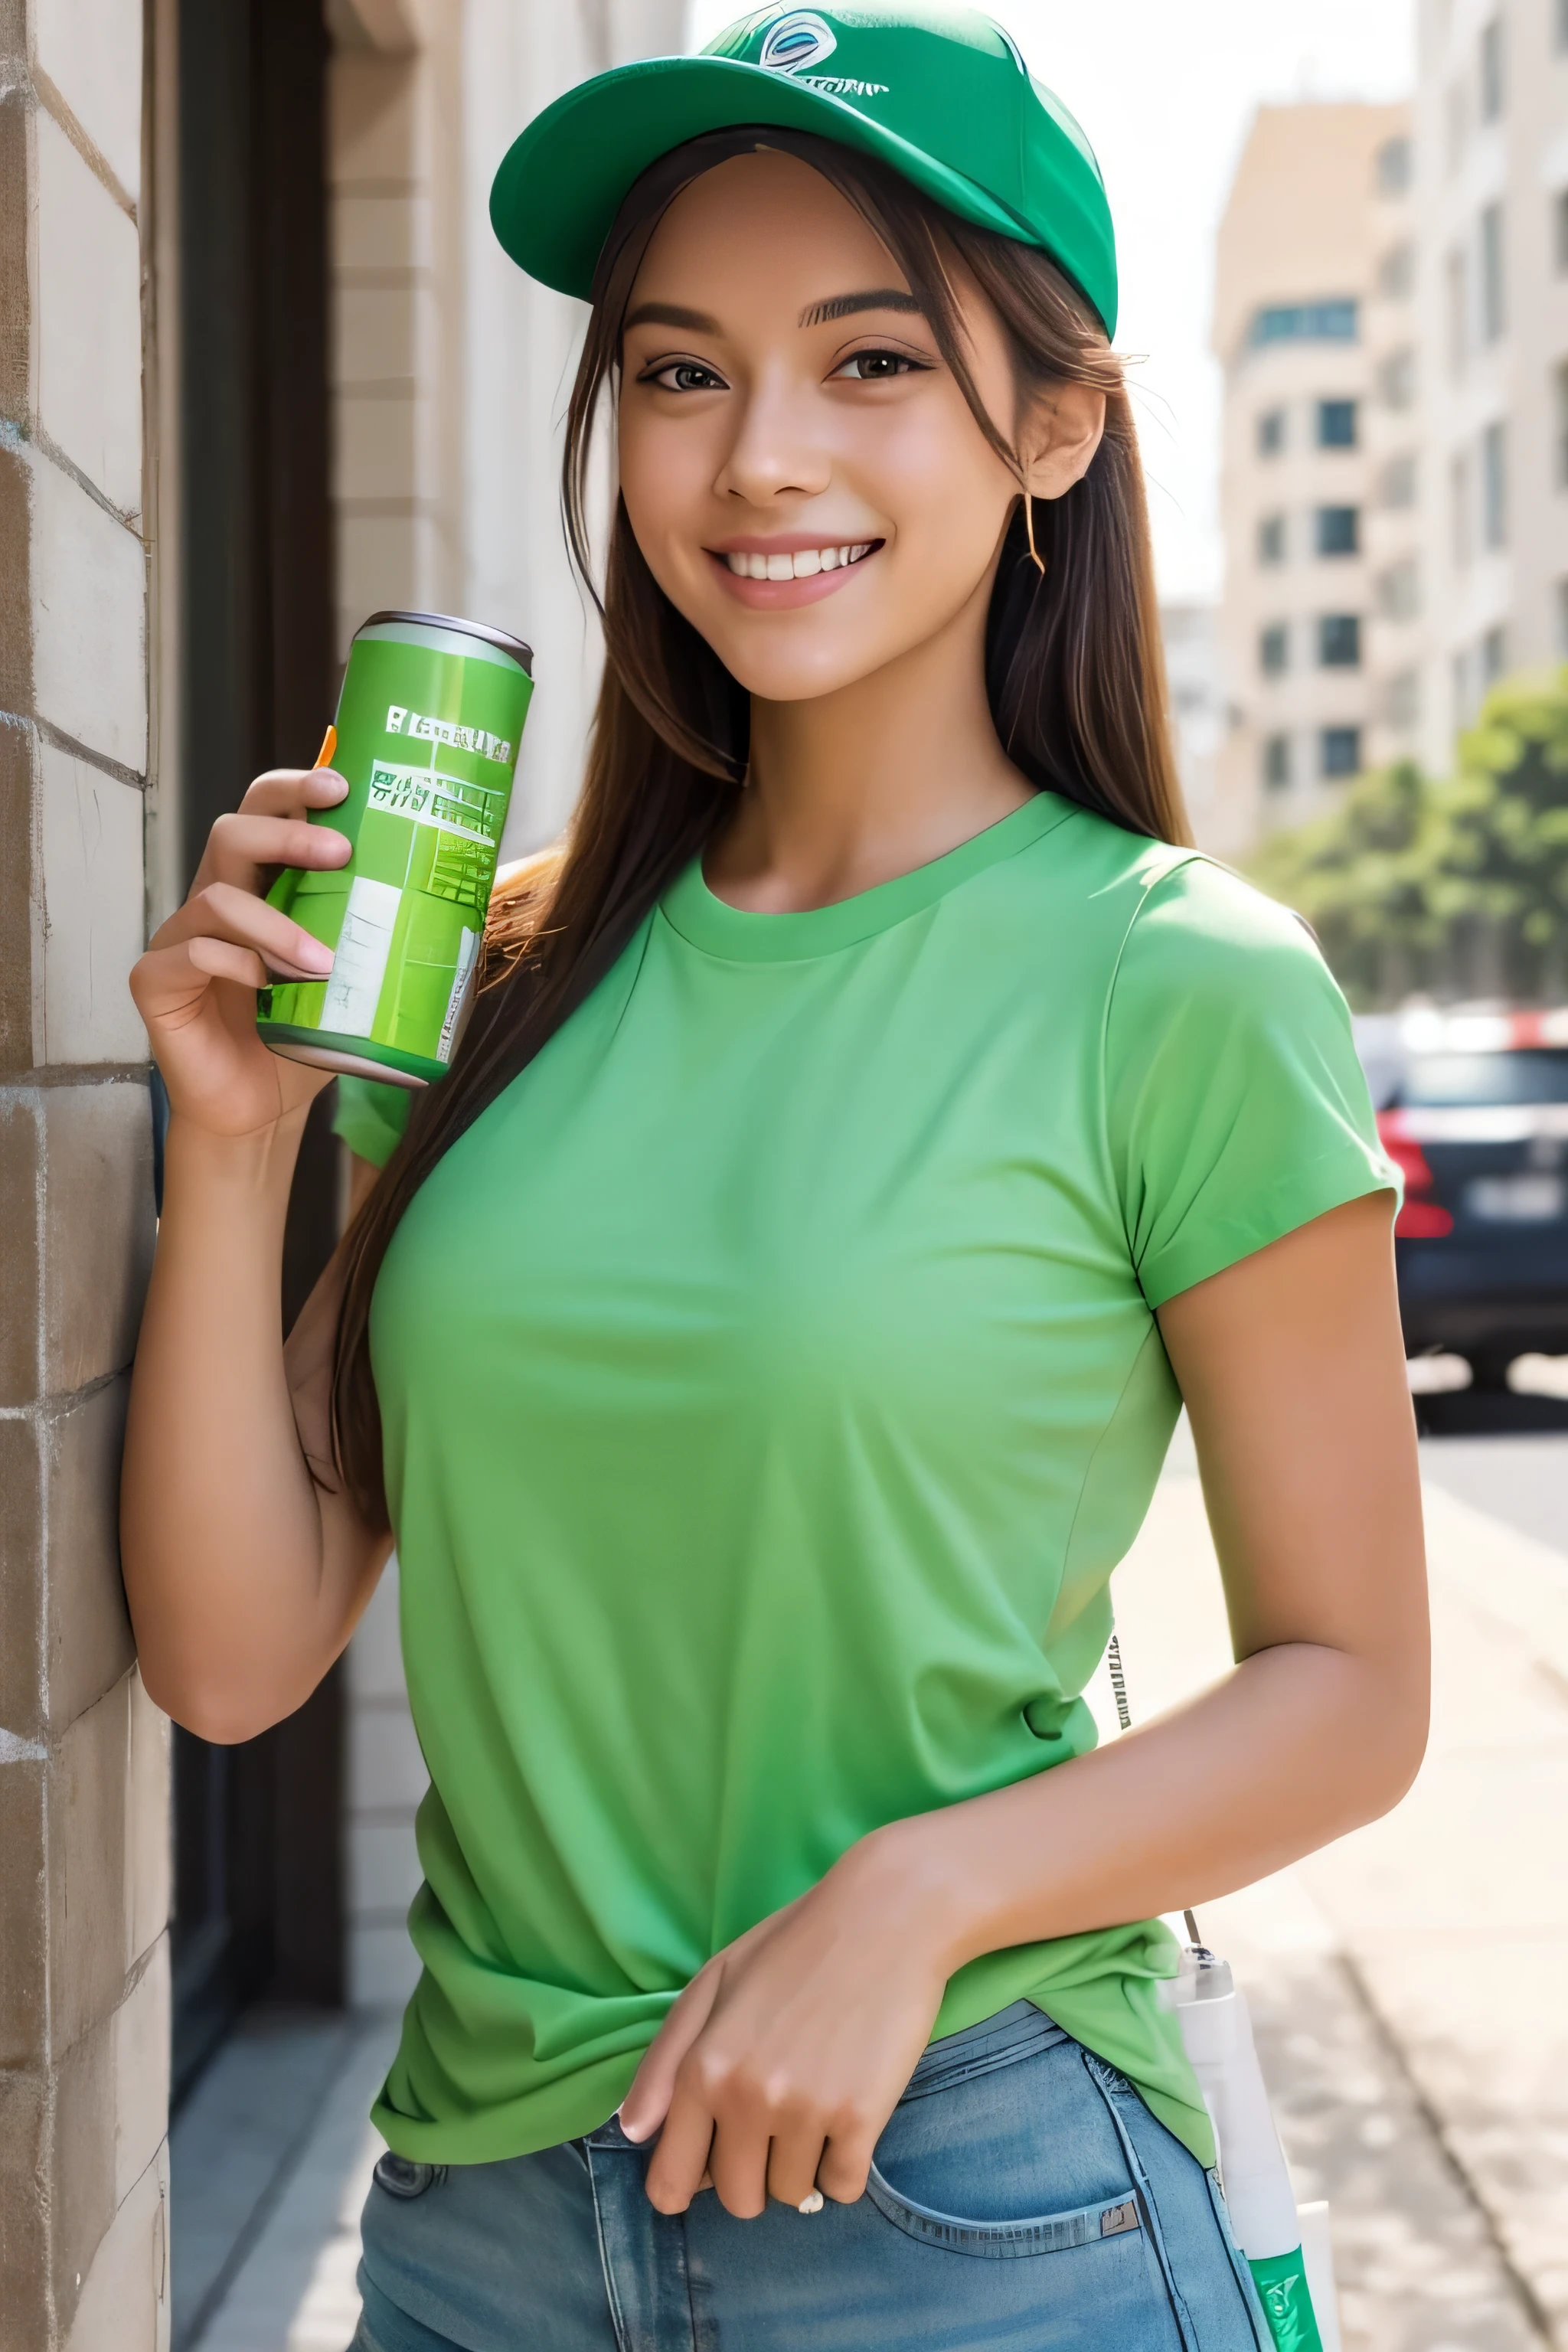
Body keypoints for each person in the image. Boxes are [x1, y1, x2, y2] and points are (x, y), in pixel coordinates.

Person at [123, 9, 1429, 2347]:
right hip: (476, 2226)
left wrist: (914, 1898)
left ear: (1053, 425)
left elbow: (1349, 1690)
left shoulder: (1179, 985)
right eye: (679, 372)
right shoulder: (502, 973)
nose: (758, 458)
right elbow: (233, 1663)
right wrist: (239, 1153)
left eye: (868, 362)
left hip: (975, 2199)